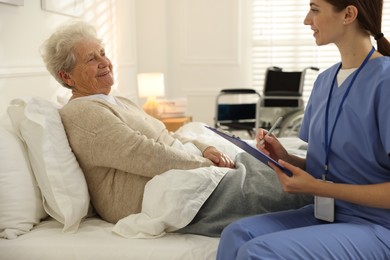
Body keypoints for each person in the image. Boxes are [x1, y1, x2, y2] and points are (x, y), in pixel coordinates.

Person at [40, 20, 312, 235]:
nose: (104, 62)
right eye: (91, 59)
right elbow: (142, 153)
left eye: (103, 53)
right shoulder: (82, 112)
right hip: (158, 193)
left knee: (273, 161)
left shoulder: (115, 100)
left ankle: (336, 176)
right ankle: (341, 194)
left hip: (183, 172)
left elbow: (168, 136)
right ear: (67, 76)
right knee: (278, 183)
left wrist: (207, 148)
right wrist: (205, 164)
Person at [217, 0, 390, 258]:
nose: (307, 20)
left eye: (315, 9)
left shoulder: (385, 82)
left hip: (376, 224)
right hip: (329, 213)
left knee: (258, 252)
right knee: (236, 233)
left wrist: (319, 188)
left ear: (349, 14)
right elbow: (330, 166)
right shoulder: (324, 82)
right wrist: (284, 158)